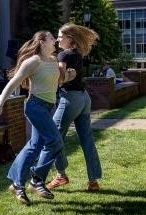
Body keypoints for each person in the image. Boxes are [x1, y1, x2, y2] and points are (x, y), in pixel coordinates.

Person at [0, 30, 76, 205]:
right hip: (35, 105)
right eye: (51, 38)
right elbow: (14, 82)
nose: (55, 40)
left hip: (48, 107)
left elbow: (56, 81)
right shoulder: (33, 62)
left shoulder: (53, 60)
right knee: (55, 140)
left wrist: (69, 76)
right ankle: (37, 180)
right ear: (42, 43)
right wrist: (1, 102)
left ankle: (17, 184)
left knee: (34, 146)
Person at [46, 23, 102, 191]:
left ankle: (61, 175)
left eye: (60, 37)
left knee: (54, 135)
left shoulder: (63, 55)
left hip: (70, 99)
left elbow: (60, 79)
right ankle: (93, 181)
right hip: (84, 99)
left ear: (70, 39)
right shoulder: (78, 54)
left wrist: (52, 70)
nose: (57, 39)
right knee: (87, 140)